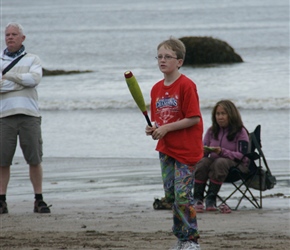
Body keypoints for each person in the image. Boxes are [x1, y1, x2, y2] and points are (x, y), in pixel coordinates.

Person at [145, 37, 203, 250]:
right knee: (171, 196)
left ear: (179, 61)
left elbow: (194, 118)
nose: (162, 60)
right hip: (166, 149)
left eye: (167, 57)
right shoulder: (156, 89)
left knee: (182, 196)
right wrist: (153, 129)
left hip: (186, 150)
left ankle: (191, 240)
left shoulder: (187, 85)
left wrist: (166, 128)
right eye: (159, 56)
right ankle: (181, 238)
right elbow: (161, 120)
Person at [0, 22, 51, 214]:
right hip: (4, 116)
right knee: (2, 160)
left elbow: (34, 80)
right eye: (7, 35)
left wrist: (10, 77)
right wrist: (22, 81)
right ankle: (1, 199)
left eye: (14, 34)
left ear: (23, 38)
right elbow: (24, 82)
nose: (10, 37)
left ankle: (39, 199)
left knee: (34, 158)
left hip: (29, 115)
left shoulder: (33, 59)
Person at [193, 100, 249, 213]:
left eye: (223, 114)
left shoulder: (240, 131)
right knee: (203, 162)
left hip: (236, 167)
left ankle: (211, 199)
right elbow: (203, 154)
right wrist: (202, 151)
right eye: (217, 114)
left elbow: (243, 156)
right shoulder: (211, 131)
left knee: (220, 162)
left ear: (231, 115)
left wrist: (222, 151)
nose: (220, 117)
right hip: (213, 167)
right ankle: (197, 199)